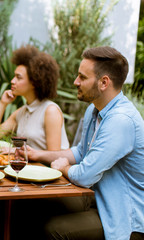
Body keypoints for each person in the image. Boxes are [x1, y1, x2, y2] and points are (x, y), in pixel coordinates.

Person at [25, 46, 144, 239]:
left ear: (104, 82)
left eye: (82, 77)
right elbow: (80, 153)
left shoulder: (121, 120)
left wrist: (63, 167)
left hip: (123, 216)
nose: (75, 82)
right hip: (98, 198)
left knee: (55, 230)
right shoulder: (94, 110)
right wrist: (37, 155)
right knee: (36, 200)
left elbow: (84, 176)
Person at [0, 45, 69, 151]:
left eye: (18, 77)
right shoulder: (21, 112)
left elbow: (53, 156)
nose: (12, 81)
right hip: (29, 166)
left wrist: (14, 151)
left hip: (46, 167)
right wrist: (2, 103)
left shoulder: (50, 111)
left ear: (34, 82)